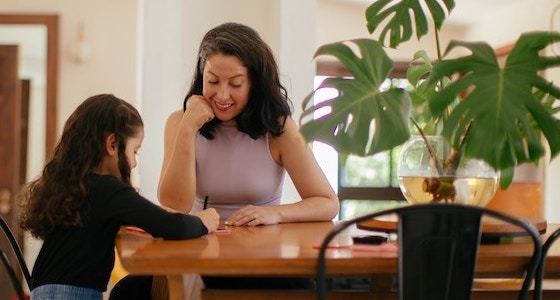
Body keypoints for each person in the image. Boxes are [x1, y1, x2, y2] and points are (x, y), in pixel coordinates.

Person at [113, 22, 340, 297]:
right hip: (197, 255)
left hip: (260, 260)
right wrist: (187, 128)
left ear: (255, 83)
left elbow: (327, 203)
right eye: (212, 81)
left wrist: (274, 213)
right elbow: (174, 204)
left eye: (235, 84)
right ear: (201, 77)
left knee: (303, 289)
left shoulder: (278, 128)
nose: (222, 95)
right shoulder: (179, 122)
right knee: (128, 292)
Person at [19, 94, 220, 300]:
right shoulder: (107, 189)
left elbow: (147, 214)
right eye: (135, 150)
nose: (134, 163)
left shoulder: (77, 187)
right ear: (112, 144)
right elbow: (173, 227)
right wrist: (204, 221)